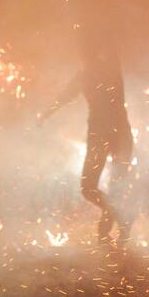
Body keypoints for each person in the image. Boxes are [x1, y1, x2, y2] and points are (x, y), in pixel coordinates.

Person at [39, 32, 135, 245]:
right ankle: (119, 219)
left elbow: (63, 97)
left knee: (97, 187)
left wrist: (45, 115)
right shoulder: (89, 74)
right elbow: (63, 97)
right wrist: (45, 114)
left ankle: (113, 227)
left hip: (109, 133)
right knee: (94, 187)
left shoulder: (107, 70)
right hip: (112, 133)